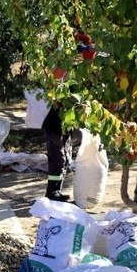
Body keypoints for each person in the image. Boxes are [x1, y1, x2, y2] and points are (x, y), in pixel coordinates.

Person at [43, 29, 96, 202]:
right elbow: (58, 74)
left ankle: (55, 192)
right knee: (59, 160)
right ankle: (52, 194)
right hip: (54, 126)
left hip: (63, 127)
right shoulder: (65, 90)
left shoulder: (79, 89)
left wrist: (87, 51)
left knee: (65, 161)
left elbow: (88, 71)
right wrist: (75, 52)